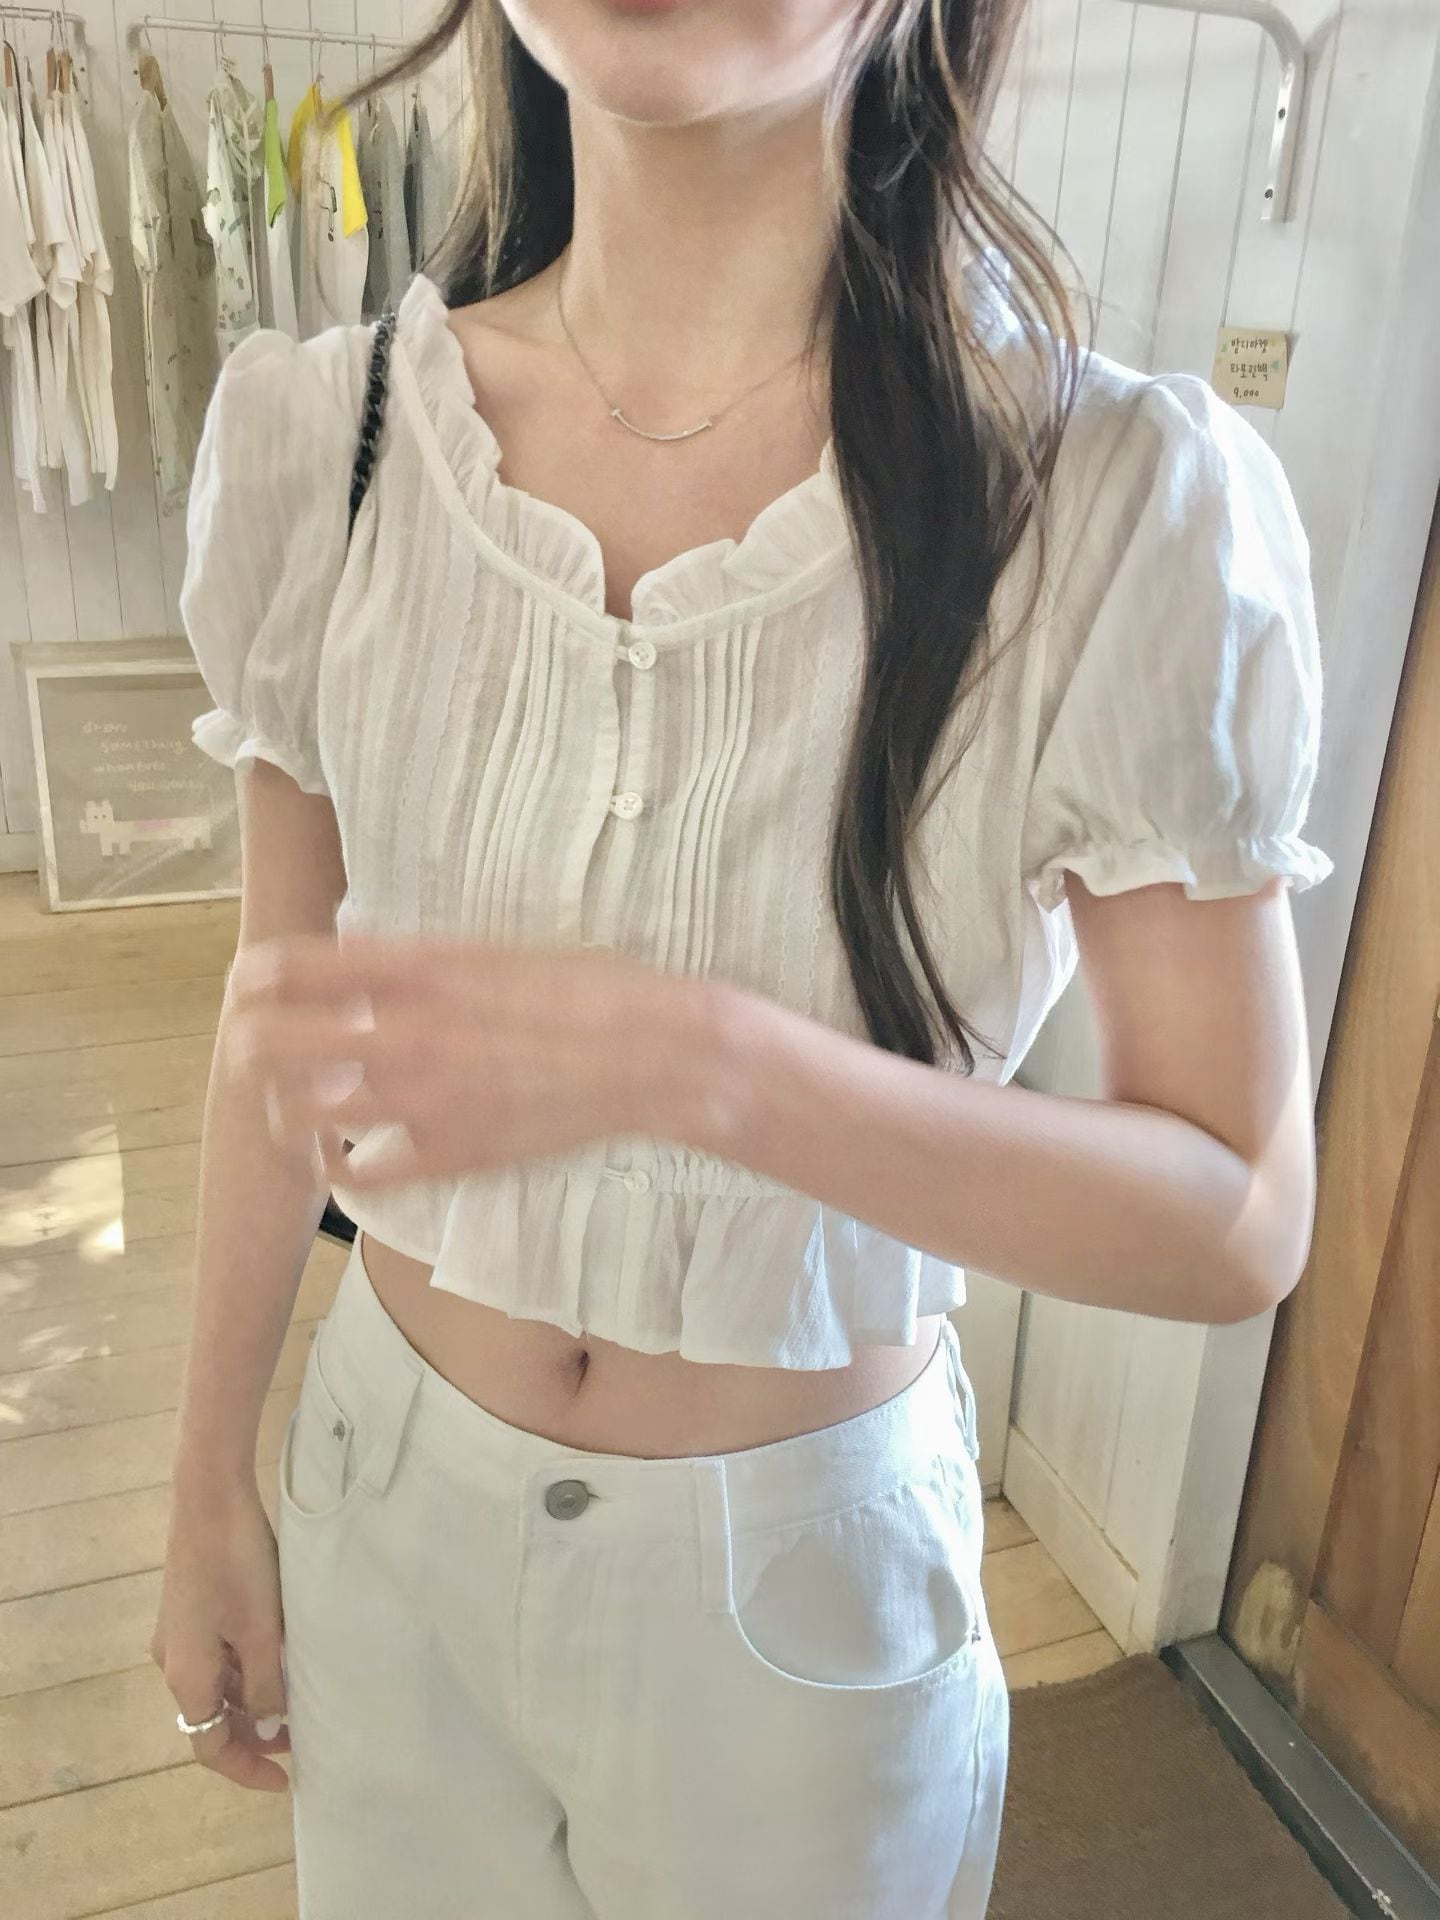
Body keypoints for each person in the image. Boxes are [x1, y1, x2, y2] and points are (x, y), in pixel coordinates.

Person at [149, 0, 1335, 1914]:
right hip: (379, 1502)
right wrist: (208, 1468)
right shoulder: (333, 445)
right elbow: (277, 1029)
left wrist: (706, 1067)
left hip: (795, 1608)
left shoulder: (1106, 501)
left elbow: (1239, 1216)